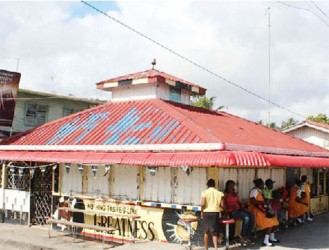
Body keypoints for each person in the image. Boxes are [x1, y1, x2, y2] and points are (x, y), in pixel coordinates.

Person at [248, 178, 280, 246]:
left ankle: (271, 237)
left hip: (261, 210)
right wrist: (263, 202)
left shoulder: (260, 191)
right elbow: (252, 201)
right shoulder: (254, 191)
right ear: (259, 184)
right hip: (255, 211)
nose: (263, 185)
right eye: (262, 184)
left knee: (275, 221)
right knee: (270, 223)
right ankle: (265, 241)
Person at [223, 180, 255, 245]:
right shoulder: (225, 194)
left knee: (251, 216)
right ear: (227, 186)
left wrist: (241, 206)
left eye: (233, 185)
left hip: (239, 210)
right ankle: (242, 235)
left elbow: (237, 202)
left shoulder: (234, 193)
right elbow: (224, 204)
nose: (232, 187)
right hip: (232, 212)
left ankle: (247, 236)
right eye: (230, 185)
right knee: (246, 217)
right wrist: (225, 213)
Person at [201, 179, 224, 250]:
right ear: (215, 185)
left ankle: (206, 248)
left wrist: (202, 211)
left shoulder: (204, 192)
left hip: (206, 213)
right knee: (214, 232)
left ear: (207, 185)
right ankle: (216, 248)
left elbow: (202, 204)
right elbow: (222, 205)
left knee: (206, 232)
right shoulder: (220, 193)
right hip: (215, 213)